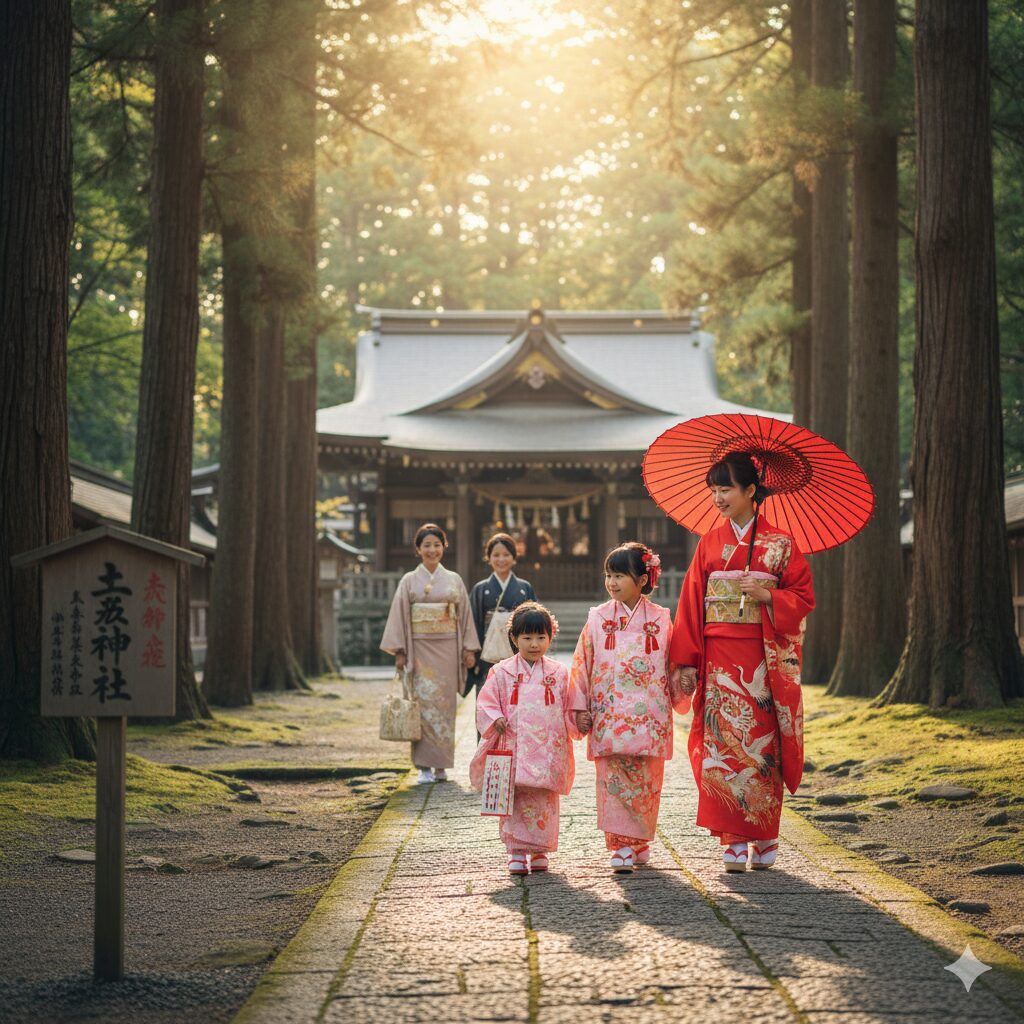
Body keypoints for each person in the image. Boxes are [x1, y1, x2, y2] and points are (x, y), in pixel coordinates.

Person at [670, 452, 814, 873]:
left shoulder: (781, 543)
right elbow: (691, 603)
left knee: (762, 743)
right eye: (713, 490)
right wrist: (687, 660)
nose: (718, 498)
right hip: (719, 658)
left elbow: (803, 598)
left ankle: (765, 832)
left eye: (726, 489)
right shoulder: (709, 543)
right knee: (722, 742)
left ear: (751, 490)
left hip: (762, 658)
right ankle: (732, 838)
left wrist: (769, 595)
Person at [570, 542, 690, 874]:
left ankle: (638, 841)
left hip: (649, 714)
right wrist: (580, 708)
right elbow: (582, 665)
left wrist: (683, 680)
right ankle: (620, 845)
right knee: (612, 780)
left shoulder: (661, 619)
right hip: (609, 713)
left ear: (643, 579)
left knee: (646, 780)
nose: (611, 582)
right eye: (608, 575)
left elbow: (673, 663)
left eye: (619, 575)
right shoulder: (598, 617)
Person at [470, 602, 588, 875]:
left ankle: (539, 851)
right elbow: (486, 702)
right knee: (516, 797)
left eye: (541, 637)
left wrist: (578, 721)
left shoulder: (558, 672)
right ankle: (516, 852)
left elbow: (569, 705)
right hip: (515, 745)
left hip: (548, 749)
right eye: (527, 637)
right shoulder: (502, 671)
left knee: (544, 799)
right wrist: (495, 717)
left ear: (550, 637)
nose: (534, 644)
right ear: (514, 638)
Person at [380, 523, 480, 785]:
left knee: (445, 706)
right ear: (418, 549)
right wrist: (400, 651)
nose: (432, 550)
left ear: (444, 547)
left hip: (448, 648)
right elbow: (399, 615)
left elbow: (464, 615)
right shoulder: (409, 581)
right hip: (419, 648)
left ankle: (441, 765)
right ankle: (423, 766)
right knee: (422, 706)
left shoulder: (454, 579)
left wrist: (468, 648)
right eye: (427, 545)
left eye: (437, 545)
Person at [466, 533, 537, 713]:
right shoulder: (481, 589)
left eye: (506, 554)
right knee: (488, 704)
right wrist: (472, 652)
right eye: (496, 555)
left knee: (517, 705)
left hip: (518, 654)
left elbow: (535, 622)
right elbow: (472, 622)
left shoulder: (525, 588)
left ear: (514, 557)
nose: (501, 559)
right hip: (487, 655)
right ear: (488, 558)